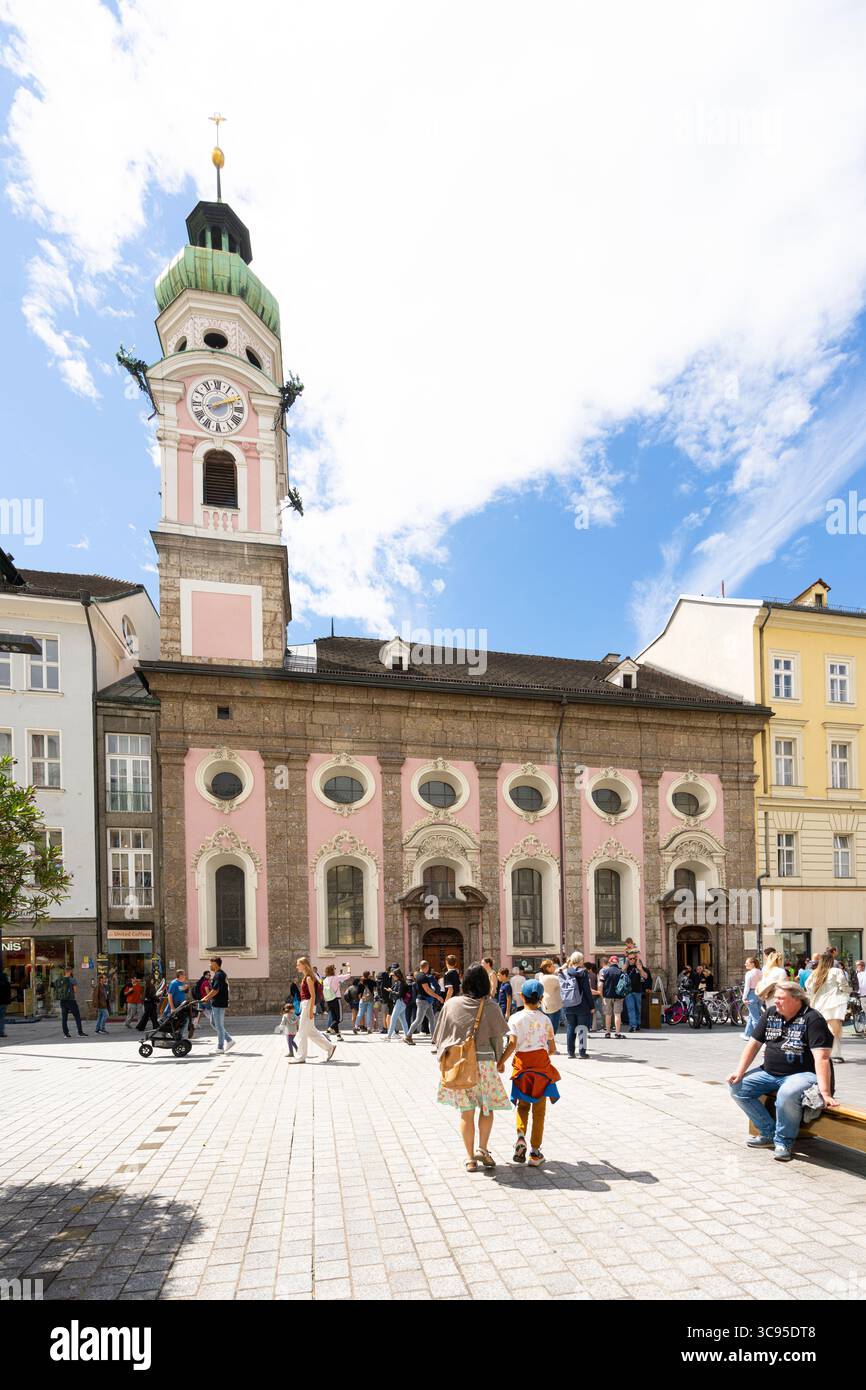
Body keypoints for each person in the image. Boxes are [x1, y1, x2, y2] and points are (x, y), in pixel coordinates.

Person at [727, 979, 839, 1161]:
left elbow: (822, 1057)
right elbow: (753, 1044)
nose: (775, 1001)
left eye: (780, 998)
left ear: (797, 999)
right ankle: (768, 1133)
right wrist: (739, 1072)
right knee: (737, 1088)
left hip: (803, 1074)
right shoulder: (771, 1013)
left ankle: (784, 1142)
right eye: (775, 998)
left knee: (786, 1094)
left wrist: (825, 1093)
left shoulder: (812, 1019)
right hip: (769, 1072)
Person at [432, 961, 510, 1172]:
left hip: (460, 1064)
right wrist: (500, 1061)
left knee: (466, 1113)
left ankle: (469, 1158)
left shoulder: (451, 1005)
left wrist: (445, 1059)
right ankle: (483, 1149)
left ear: (464, 982)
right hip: (485, 1064)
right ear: (486, 983)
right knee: (487, 1109)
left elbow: (439, 1037)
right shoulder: (492, 1006)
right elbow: (498, 1039)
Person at [498, 979, 561, 1167]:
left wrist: (501, 1062)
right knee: (539, 1112)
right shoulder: (545, 1019)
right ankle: (535, 1152)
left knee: (523, 1106)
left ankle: (520, 1136)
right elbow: (552, 1048)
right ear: (541, 998)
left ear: (522, 997)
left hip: (522, 1066)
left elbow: (512, 1044)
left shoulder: (515, 1018)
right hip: (541, 1066)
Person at [806, 949, 850, 1062]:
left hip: (818, 1005)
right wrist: (846, 992)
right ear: (831, 961)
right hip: (834, 1003)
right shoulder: (836, 971)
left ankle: (819, 1051)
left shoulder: (815, 972)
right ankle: (834, 1053)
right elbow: (844, 985)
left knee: (821, 1029)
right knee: (835, 1030)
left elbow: (808, 986)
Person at [290, 957, 336, 1064]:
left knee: (302, 1031)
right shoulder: (307, 977)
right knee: (311, 1032)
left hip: (307, 1005)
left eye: (298, 964)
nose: (297, 967)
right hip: (306, 1005)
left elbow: (313, 995)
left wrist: (310, 1010)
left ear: (304, 965)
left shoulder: (309, 978)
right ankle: (330, 1047)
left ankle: (301, 1056)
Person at [560, 951, 594, 1059]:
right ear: (580, 960)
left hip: (568, 1004)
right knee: (582, 1028)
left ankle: (570, 1052)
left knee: (570, 1027)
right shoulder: (583, 972)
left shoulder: (565, 972)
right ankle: (582, 1052)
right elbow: (587, 990)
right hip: (582, 1004)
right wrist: (592, 1006)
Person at [404, 960, 443, 1044]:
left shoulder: (420, 975)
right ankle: (408, 1036)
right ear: (426, 967)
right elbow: (427, 990)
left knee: (432, 1019)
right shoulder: (422, 976)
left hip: (426, 1001)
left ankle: (434, 1039)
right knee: (419, 1020)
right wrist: (438, 997)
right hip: (423, 1001)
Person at [201, 957, 235, 1053]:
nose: (209, 965)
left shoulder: (219, 975)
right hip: (217, 1002)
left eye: (210, 963)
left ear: (215, 964)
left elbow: (215, 990)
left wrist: (206, 998)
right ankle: (229, 1040)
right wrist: (207, 998)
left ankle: (220, 1047)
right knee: (213, 1023)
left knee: (219, 1025)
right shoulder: (218, 974)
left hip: (219, 1003)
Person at [624, 949, 650, 1032]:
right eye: (629, 959)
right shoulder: (626, 968)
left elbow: (646, 977)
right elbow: (620, 976)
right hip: (628, 992)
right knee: (631, 1009)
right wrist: (623, 969)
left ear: (635, 959)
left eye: (632, 958)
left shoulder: (639, 966)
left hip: (638, 991)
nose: (631, 960)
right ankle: (633, 1025)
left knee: (638, 1009)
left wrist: (640, 969)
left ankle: (638, 1024)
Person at [322, 964, 352, 1039]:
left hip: (329, 1000)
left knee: (334, 1018)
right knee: (339, 1019)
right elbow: (348, 975)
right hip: (336, 999)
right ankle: (328, 1031)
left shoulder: (325, 980)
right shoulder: (336, 978)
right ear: (333, 970)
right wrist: (348, 966)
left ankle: (338, 1036)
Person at [599, 955, 625, 1039]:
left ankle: (608, 1033)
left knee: (608, 1015)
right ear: (617, 962)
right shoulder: (621, 972)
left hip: (607, 996)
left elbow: (600, 984)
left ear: (610, 962)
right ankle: (617, 1033)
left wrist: (602, 996)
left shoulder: (605, 971)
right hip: (618, 996)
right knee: (617, 1014)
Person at [536, 958, 563, 1038]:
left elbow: (554, 971)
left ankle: (548, 1046)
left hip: (546, 1004)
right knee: (552, 1029)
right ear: (547, 968)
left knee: (547, 1027)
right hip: (553, 1005)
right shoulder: (552, 978)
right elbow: (563, 982)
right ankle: (549, 1048)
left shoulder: (541, 976)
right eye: (552, 966)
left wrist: (563, 967)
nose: (554, 968)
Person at [59, 967, 86, 1038]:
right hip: (71, 1000)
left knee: (64, 1018)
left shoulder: (60, 980)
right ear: (70, 972)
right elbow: (75, 990)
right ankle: (80, 1032)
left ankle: (66, 1034)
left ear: (65, 972)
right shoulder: (72, 979)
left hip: (62, 1001)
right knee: (77, 1016)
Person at [386, 968, 411, 1039]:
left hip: (400, 1002)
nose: (392, 977)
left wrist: (391, 991)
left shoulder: (400, 983)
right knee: (403, 1021)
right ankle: (407, 1036)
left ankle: (388, 1036)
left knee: (393, 1019)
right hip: (401, 1003)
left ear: (397, 975)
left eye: (393, 975)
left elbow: (399, 994)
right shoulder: (399, 982)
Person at [742, 956, 762, 1039]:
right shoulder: (760, 972)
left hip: (751, 993)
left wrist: (744, 997)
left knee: (755, 1018)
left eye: (747, 963)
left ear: (752, 964)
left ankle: (758, 1036)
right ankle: (747, 1034)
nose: (745, 964)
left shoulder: (749, 973)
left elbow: (747, 987)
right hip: (760, 993)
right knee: (752, 1015)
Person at [0, 967, 10, 1038]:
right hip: (3, 1002)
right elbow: (8, 993)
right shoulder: (6, 983)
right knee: (2, 1017)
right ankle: (1, 1032)